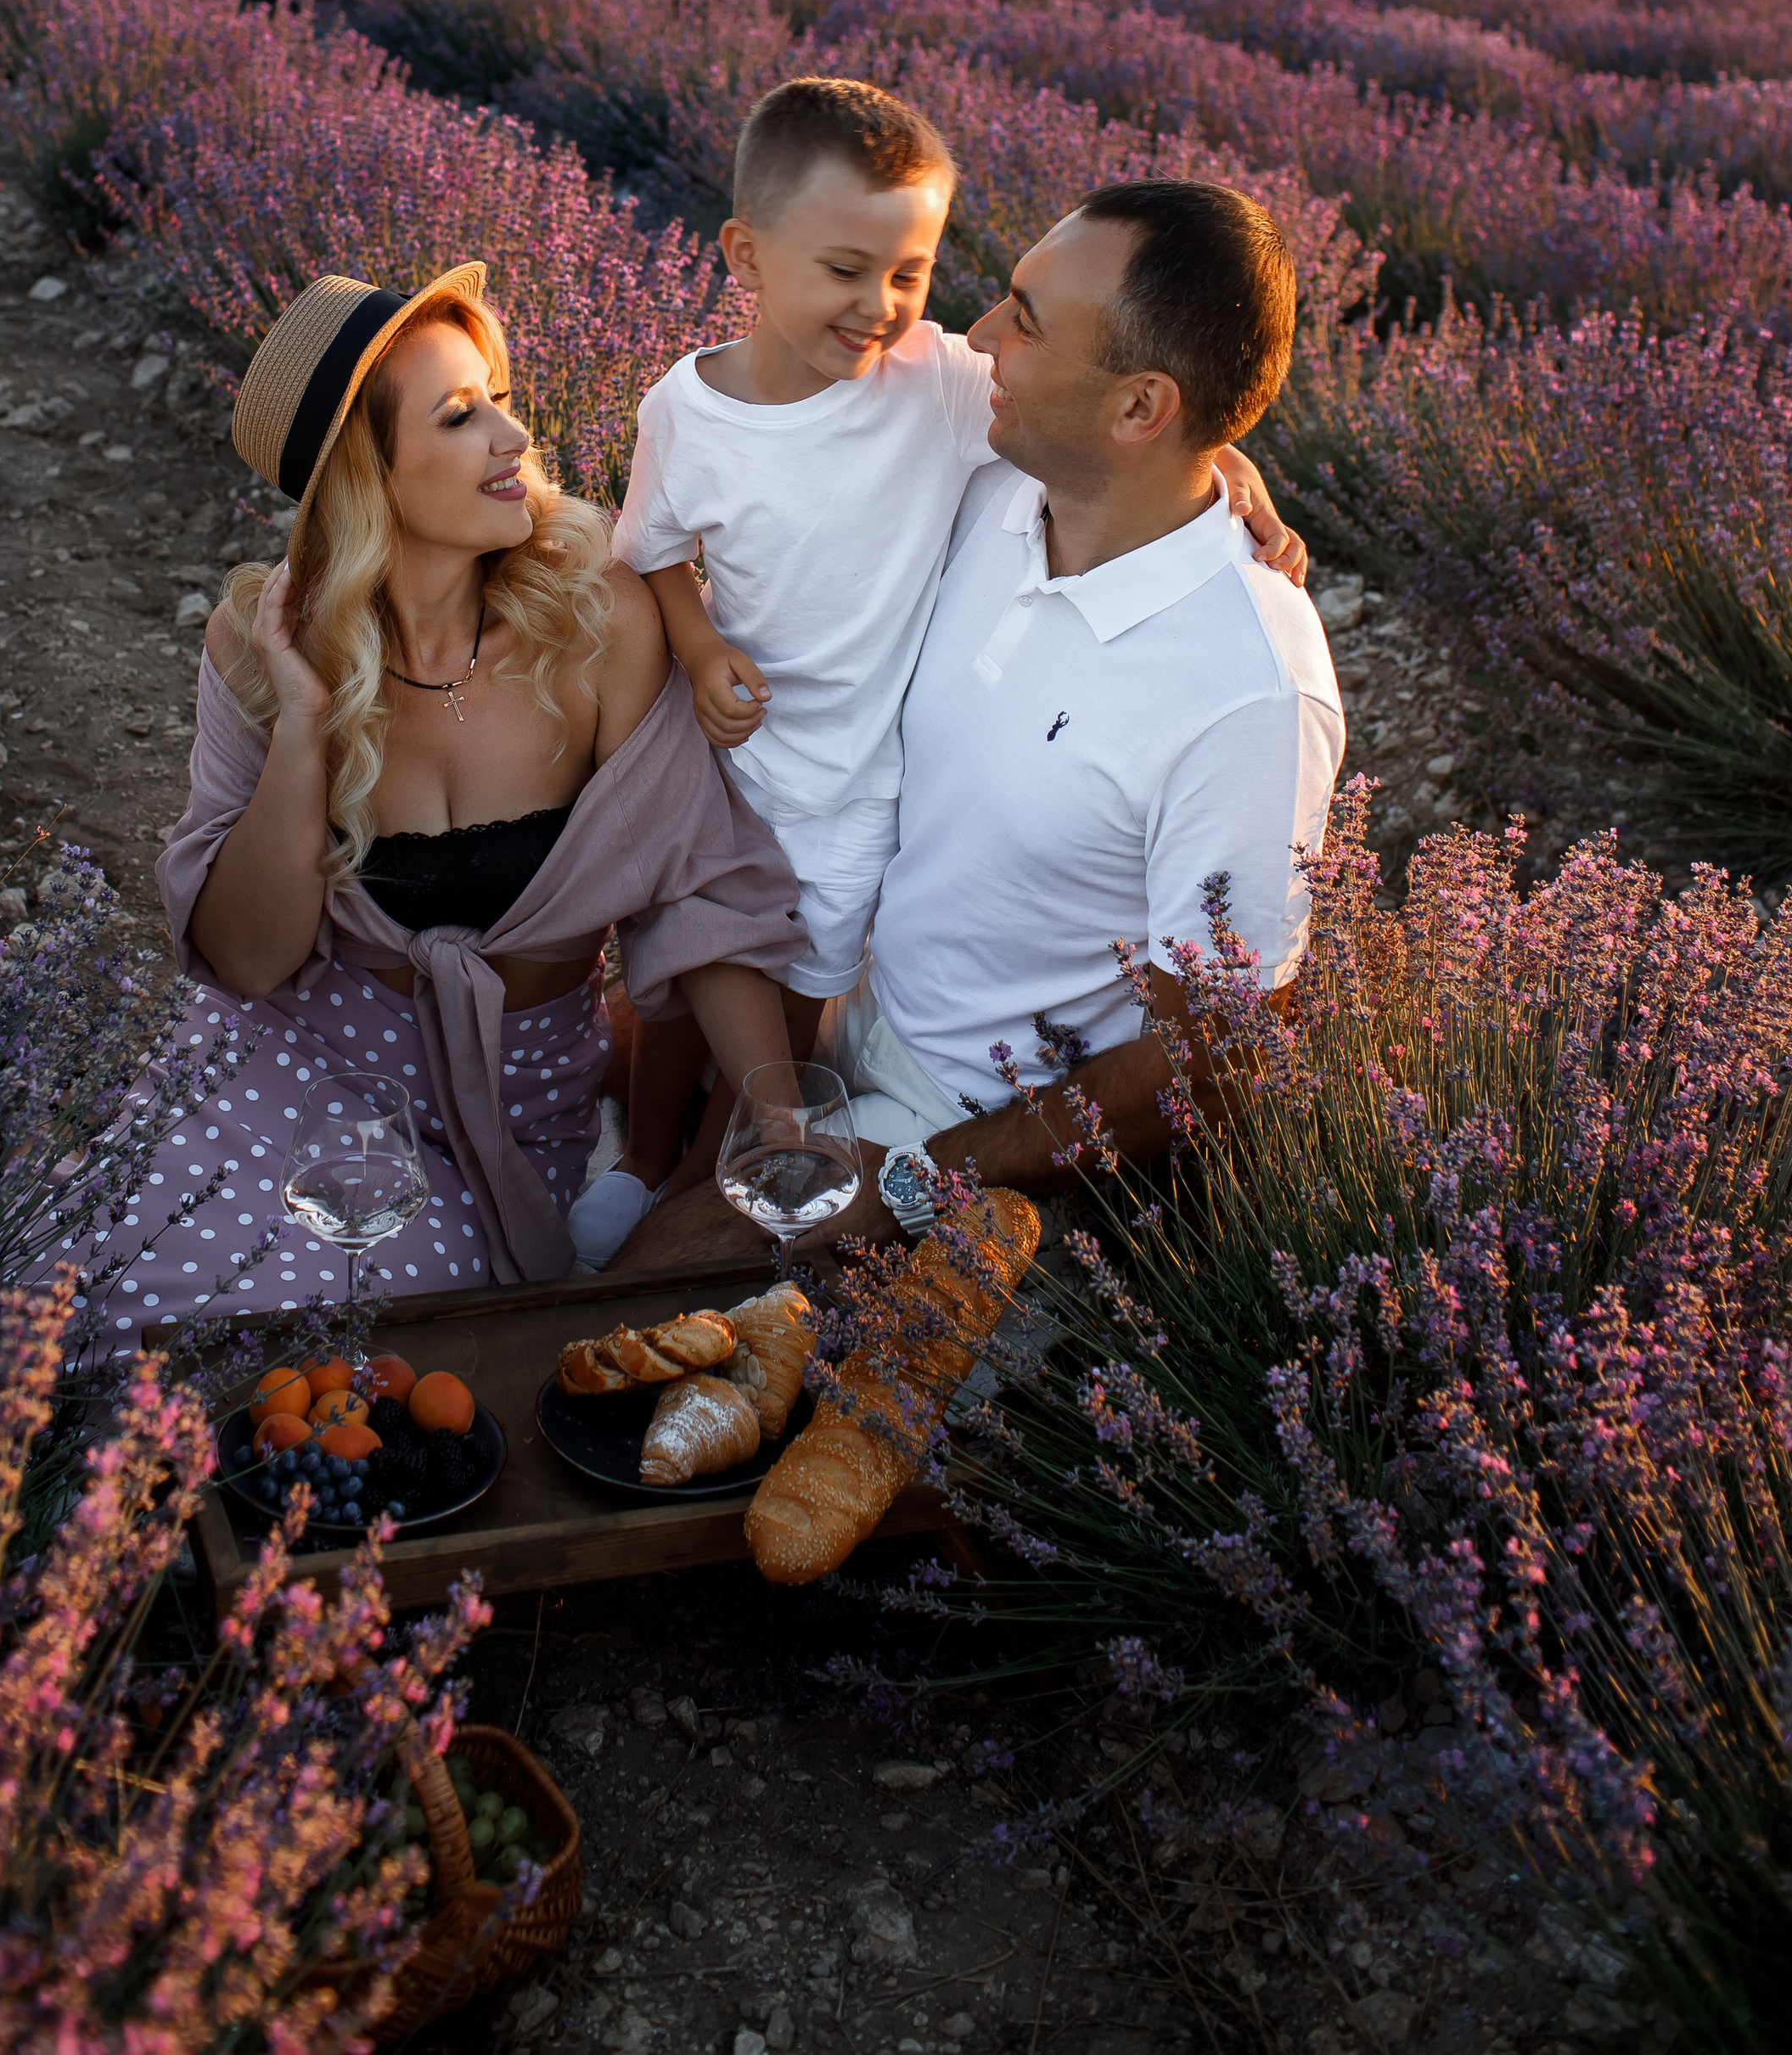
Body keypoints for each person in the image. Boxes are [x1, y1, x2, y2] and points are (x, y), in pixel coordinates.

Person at [580, 80, 1307, 1266]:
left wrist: (919, 1180)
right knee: (585, 1055)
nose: (968, 339)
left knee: (633, 1279)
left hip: (964, 1112)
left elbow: (1209, 1066)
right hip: (854, 985)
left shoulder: (1246, 687)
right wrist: (1221, 452)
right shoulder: (1006, 484)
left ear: (1136, 408)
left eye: (1021, 318)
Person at [81, 261, 806, 1352]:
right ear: (365, 475)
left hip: (516, 1093)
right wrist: (302, 720)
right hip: (307, 1062)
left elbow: (695, 884)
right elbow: (244, 960)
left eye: (499, 397)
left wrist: (778, 1115)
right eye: (463, 416)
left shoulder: (595, 616)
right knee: (127, 1302)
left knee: (416, 1302)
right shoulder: (256, 641)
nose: (515, 437)